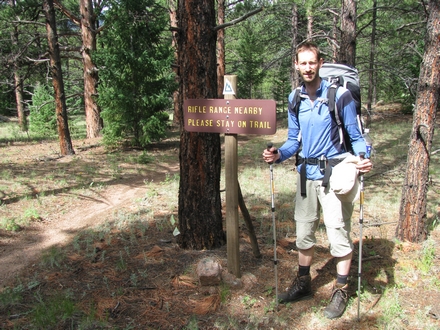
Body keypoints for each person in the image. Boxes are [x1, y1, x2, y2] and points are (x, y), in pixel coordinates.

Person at [262, 42, 373, 319]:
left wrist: (363, 156)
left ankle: (341, 289)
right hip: (305, 176)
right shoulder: (294, 99)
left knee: (338, 233)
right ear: (296, 65)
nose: (308, 68)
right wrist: (278, 154)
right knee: (303, 233)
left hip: (334, 175)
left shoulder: (340, 96)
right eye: (303, 63)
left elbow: (355, 135)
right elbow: (292, 141)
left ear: (320, 63)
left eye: (313, 62)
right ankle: (303, 283)